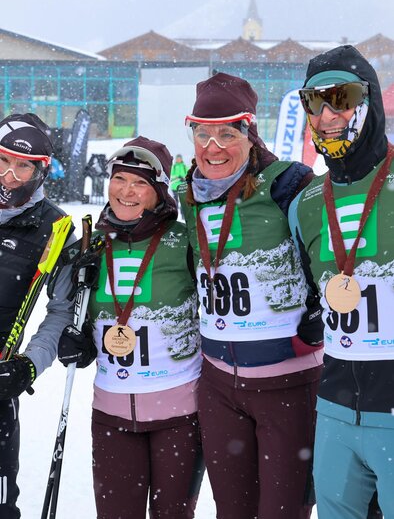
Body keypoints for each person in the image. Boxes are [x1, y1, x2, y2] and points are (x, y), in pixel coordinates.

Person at [178, 71, 324, 519]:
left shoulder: (288, 185)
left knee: (282, 512)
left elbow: (334, 253)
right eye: (202, 133)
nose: (213, 146)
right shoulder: (189, 196)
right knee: (232, 511)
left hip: (287, 382)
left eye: (226, 133)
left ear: (249, 132)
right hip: (220, 385)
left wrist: (317, 313)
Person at [58, 136, 204, 519]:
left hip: (180, 414)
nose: (126, 191)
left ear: (158, 192)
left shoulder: (183, 241)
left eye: (140, 182)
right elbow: (73, 316)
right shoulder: (88, 248)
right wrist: (76, 342)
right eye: (119, 178)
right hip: (111, 415)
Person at [289, 44, 392, 518]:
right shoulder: (306, 202)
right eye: (315, 101)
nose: (328, 114)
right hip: (334, 407)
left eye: (342, 98)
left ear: (368, 102)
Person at [0, 113, 75, 518]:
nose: (10, 175)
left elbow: (61, 311)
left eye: (23, 165)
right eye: (2, 160)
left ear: (41, 170)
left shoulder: (55, 228)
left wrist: (29, 366)